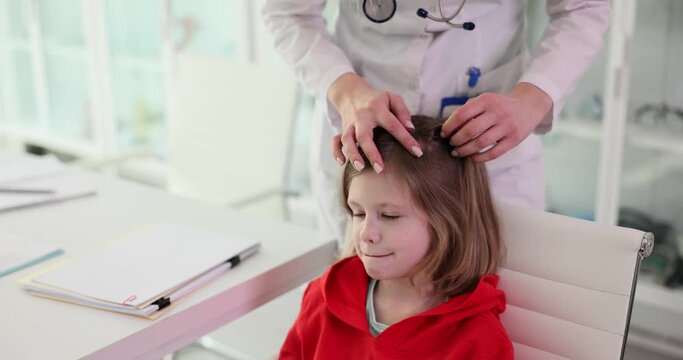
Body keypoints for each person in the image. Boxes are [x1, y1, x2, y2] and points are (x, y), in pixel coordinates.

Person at [263, 0, 611, 244]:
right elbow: (287, 11)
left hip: (489, 147)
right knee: (360, 310)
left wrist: (532, 98)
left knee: (492, 311)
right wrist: (346, 90)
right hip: (365, 144)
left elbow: (583, 8)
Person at [279, 116, 513, 359]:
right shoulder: (323, 295)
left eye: (389, 216)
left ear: (449, 221)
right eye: (358, 213)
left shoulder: (478, 340)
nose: (366, 234)